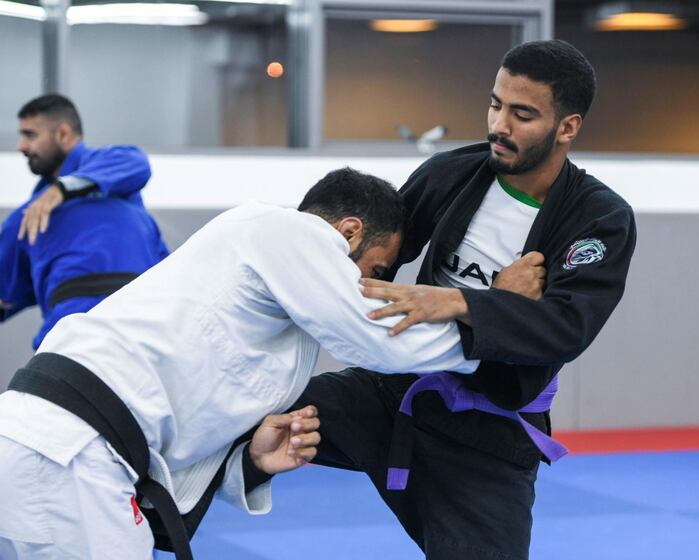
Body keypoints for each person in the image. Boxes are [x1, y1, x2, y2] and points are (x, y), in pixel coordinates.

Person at [0, 167, 478, 560]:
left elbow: (184, 423)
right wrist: (491, 318)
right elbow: (382, 342)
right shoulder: (287, 230)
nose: (376, 288)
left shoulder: (266, 305)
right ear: (348, 232)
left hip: (45, 444)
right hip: (69, 454)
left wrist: (249, 463)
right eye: (376, 272)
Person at [291, 40, 637, 559]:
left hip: (488, 434)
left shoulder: (598, 218)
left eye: (523, 114)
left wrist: (461, 303)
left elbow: (567, 326)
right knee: (243, 408)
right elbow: (382, 247)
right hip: (391, 394)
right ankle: (147, 520)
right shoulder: (451, 173)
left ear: (567, 127)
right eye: (496, 105)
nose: (500, 125)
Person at [0, 94, 168, 349]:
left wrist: (62, 190)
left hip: (127, 319)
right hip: (110, 327)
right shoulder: (28, 217)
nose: (21, 146)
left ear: (64, 134)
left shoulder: (116, 173)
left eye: (30, 135)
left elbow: (135, 161)